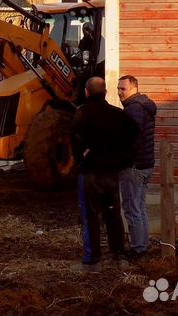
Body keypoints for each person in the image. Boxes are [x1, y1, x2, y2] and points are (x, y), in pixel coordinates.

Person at [71, 77, 138, 269]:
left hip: (90, 174)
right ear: (106, 92)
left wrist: (81, 159)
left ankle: (93, 260)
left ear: (87, 92)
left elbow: (74, 139)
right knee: (113, 214)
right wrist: (124, 161)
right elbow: (134, 136)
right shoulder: (118, 115)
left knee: (91, 216)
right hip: (111, 174)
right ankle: (118, 255)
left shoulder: (83, 113)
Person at [117, 74, 157, 259]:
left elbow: (131, 140)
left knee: (132, 209)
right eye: (118, 89)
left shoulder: (134, 109)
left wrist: (123, 160)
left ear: (133, 88)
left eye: (123, 89)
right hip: (146, 164)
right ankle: (143, 244)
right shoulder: (144, 105)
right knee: (140, 208)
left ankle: (138, 249)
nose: (119, 93)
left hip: (134, 166)